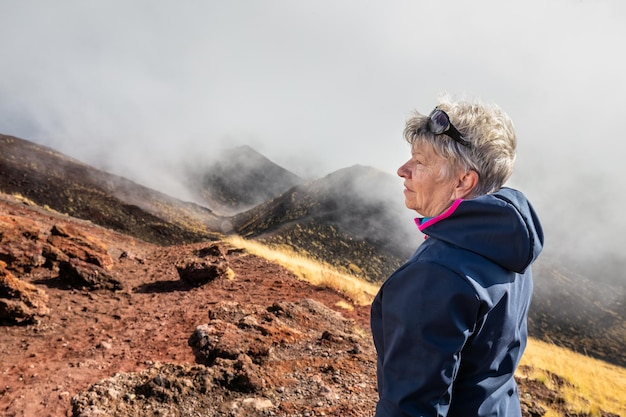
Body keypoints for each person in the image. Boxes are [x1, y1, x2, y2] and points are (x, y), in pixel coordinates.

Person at [370, 96, 544, 417]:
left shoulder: (435, 274)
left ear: (464, 181)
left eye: (420, 161)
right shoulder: (508, 244)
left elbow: (412, 408)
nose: (402, 170)